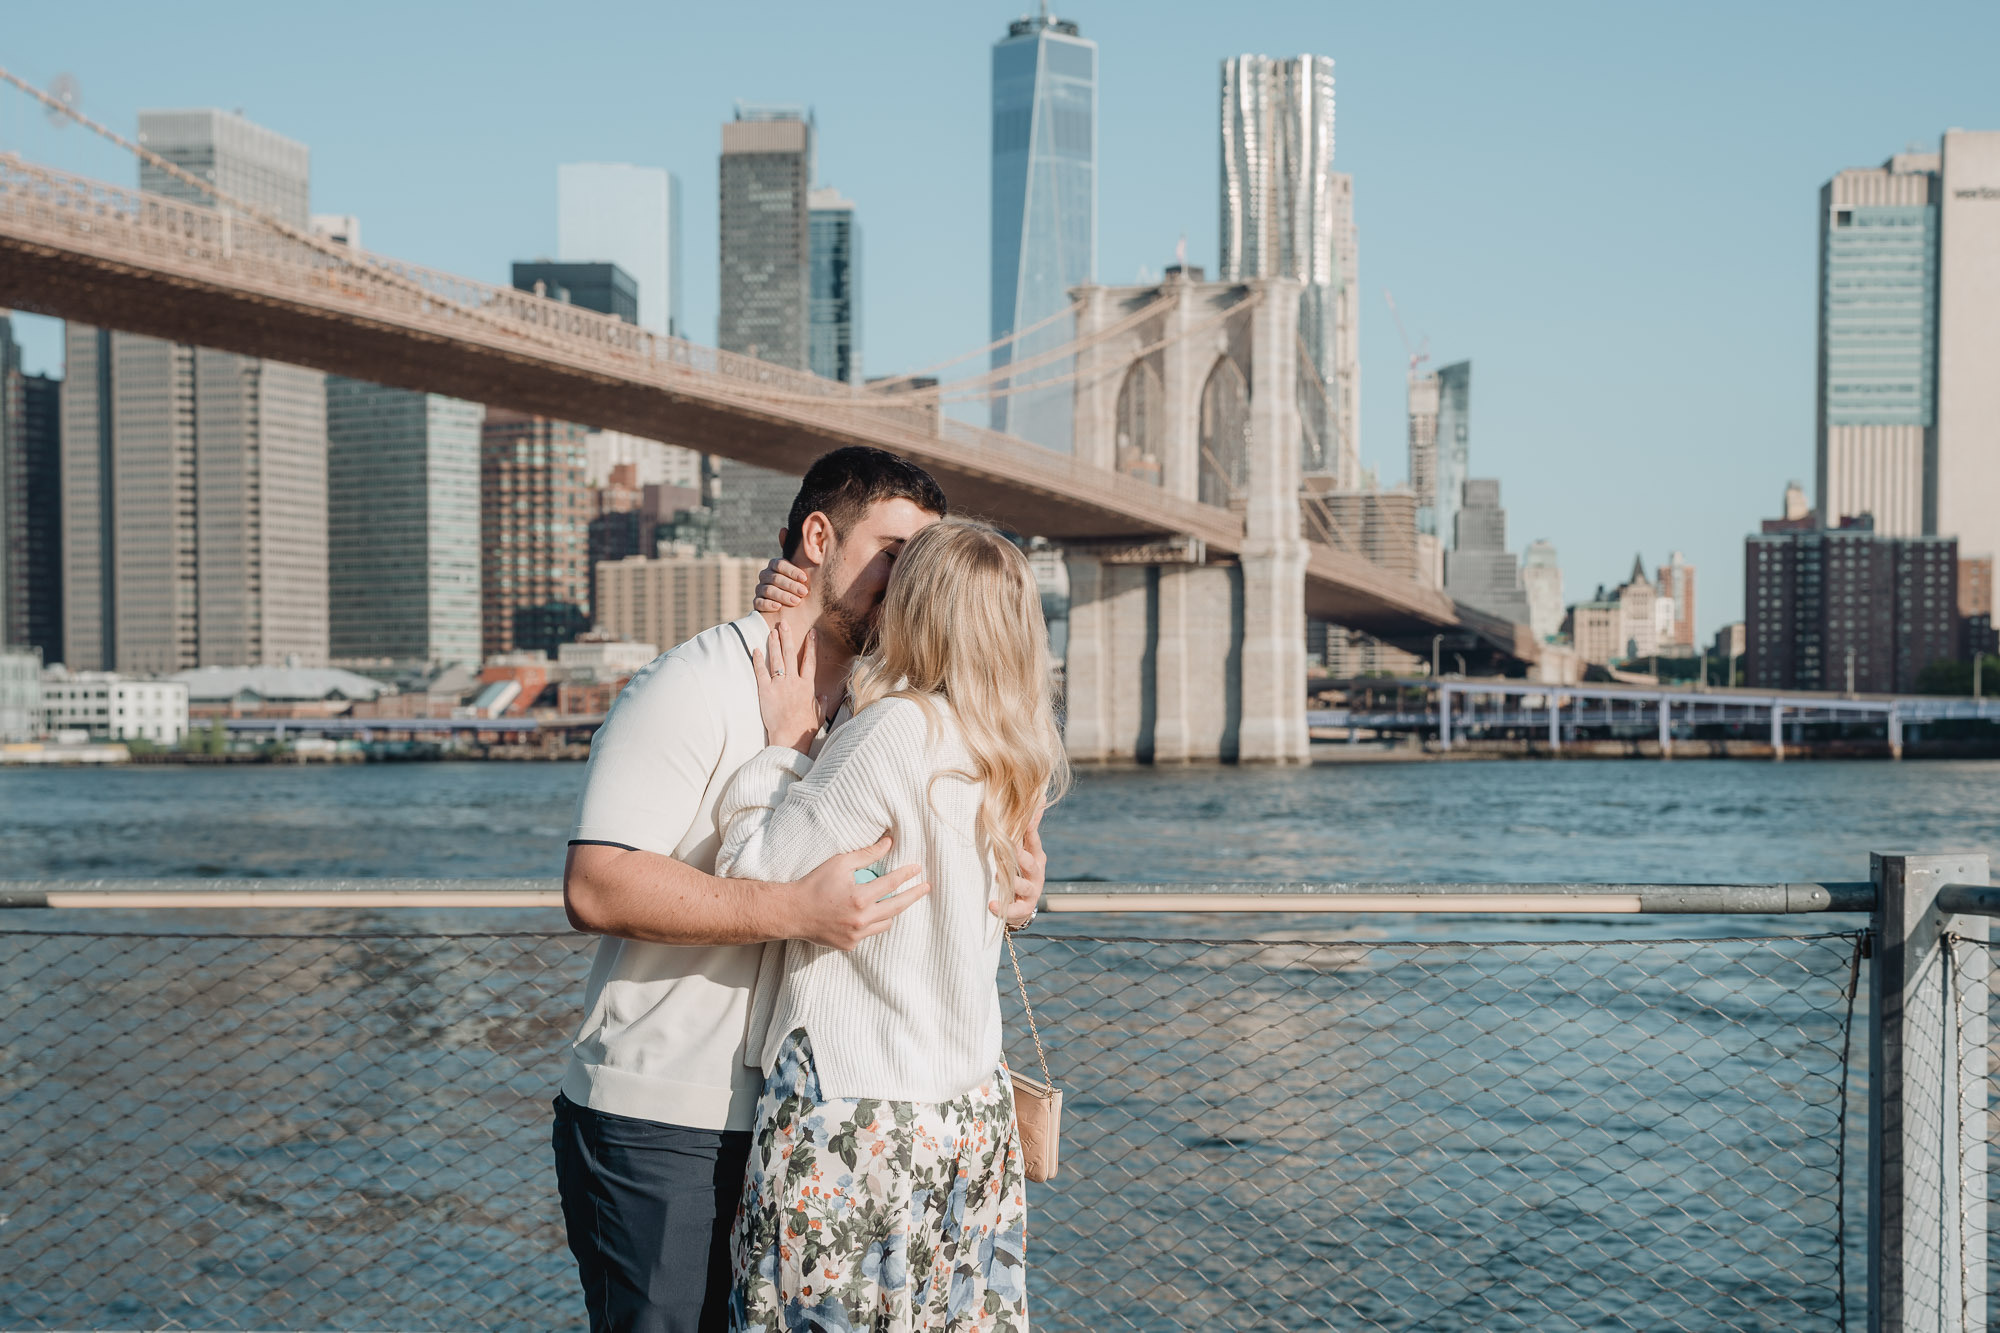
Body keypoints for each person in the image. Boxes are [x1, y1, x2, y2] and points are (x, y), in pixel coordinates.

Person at [553, 447, 1050, 1333]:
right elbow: (596, 885)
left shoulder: (886, 706)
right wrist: (795, 908)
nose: (912, 581)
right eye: (896, 553)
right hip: (670, 1119)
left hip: (810, 1120)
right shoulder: (697, 686)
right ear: (818, 539)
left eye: (924, 563)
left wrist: (1011, 873)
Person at [714, 518, 1069, 1332]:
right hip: (971, 1124)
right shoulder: (1014, 752)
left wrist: (784, 748)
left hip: (858, 1121)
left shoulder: (895, 731)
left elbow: (755, 874)